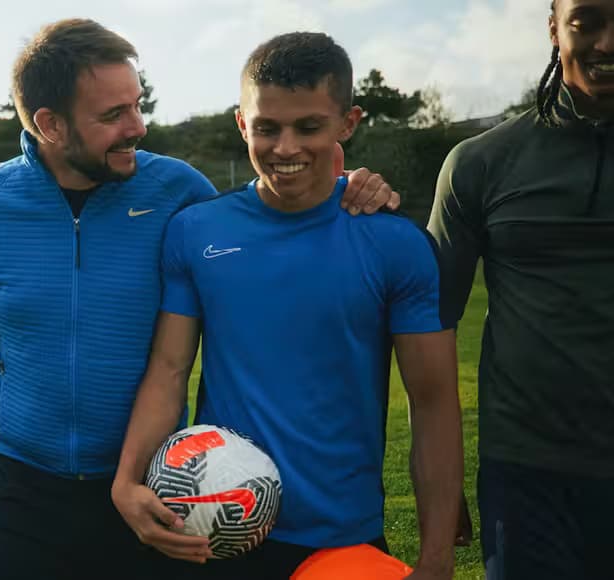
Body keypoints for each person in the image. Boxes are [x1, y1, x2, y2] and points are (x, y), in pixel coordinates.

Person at [0, 19, 398, 580]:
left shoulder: (179, 191)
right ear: (50, 124)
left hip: (154, 487)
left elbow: (266, 217)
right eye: (112, 115)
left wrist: (343, 188)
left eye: (137, 104)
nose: (138, 126)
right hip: (22, 487)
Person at [111, 32, 463, 580]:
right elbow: (169, 368)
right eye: (268, 127)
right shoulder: (195, 231)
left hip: (342, 539)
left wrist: (437, 557)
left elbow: (435, 403)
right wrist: (128, 481)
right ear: (242, 124)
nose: (286, 147)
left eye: (309, 126)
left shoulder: (395, 243)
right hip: (217, 531)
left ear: (348, 123)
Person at [428, 0, 614, 577]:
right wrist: (442, 486)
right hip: (527, 479)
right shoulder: (480, 162)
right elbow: (430, 334)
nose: (611, 42)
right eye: (587, 21)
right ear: (554, 29)